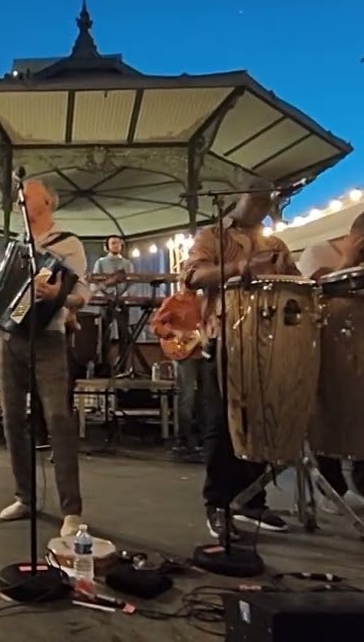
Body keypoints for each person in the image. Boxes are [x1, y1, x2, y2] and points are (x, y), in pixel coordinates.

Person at [178, 180, 296, 540]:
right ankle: (218, 503)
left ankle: (252, 501)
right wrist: (243, 267)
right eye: (255, 198)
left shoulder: (275, 243)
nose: (262, 205)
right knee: (223, 423)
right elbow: (192, 275)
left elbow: (295, 282)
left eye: (267, 200)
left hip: (269, 341)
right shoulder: (212, 235)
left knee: (261, 420)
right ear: (236, 199)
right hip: (226, 336)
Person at [0, 179, 90, 539]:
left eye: (28, 193)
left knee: (58, 417)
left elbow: (82, 295)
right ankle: (25, 496)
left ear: (47, 202)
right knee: (11, 419)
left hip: (49, 336)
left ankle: (72, 508)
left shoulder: (67, 244)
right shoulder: (15, 246)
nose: (20, 197)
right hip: (7, 337)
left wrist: (58, 294)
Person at [297, 208, 364, 510]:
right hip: (328, 349)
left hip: (362, 349)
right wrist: (347, 263)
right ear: (359, 235)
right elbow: (315, 297)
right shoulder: (317, 253)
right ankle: (333, 488)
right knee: (328, 415)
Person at [149, 288, 206, 462]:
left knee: (207, 397)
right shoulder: (174, 301)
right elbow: (156, 325)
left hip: (205, 351)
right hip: (185, 353)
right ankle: (185, 441)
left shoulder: (205, 300)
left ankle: (204, 440)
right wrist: (175, 333)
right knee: (186, 397)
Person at [91, 236, 135, 365]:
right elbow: (95, 282)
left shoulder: (127, 263)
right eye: (113, 243)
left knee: (124, 333)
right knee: (104, 333)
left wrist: (125, 296)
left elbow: (132, 282)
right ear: (107, 246)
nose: (116, 245)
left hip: (122, 301)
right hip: (106, 301)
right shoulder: (100, 262)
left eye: (118, 243)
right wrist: (104, 295)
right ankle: (104, 364)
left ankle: (122, 364)